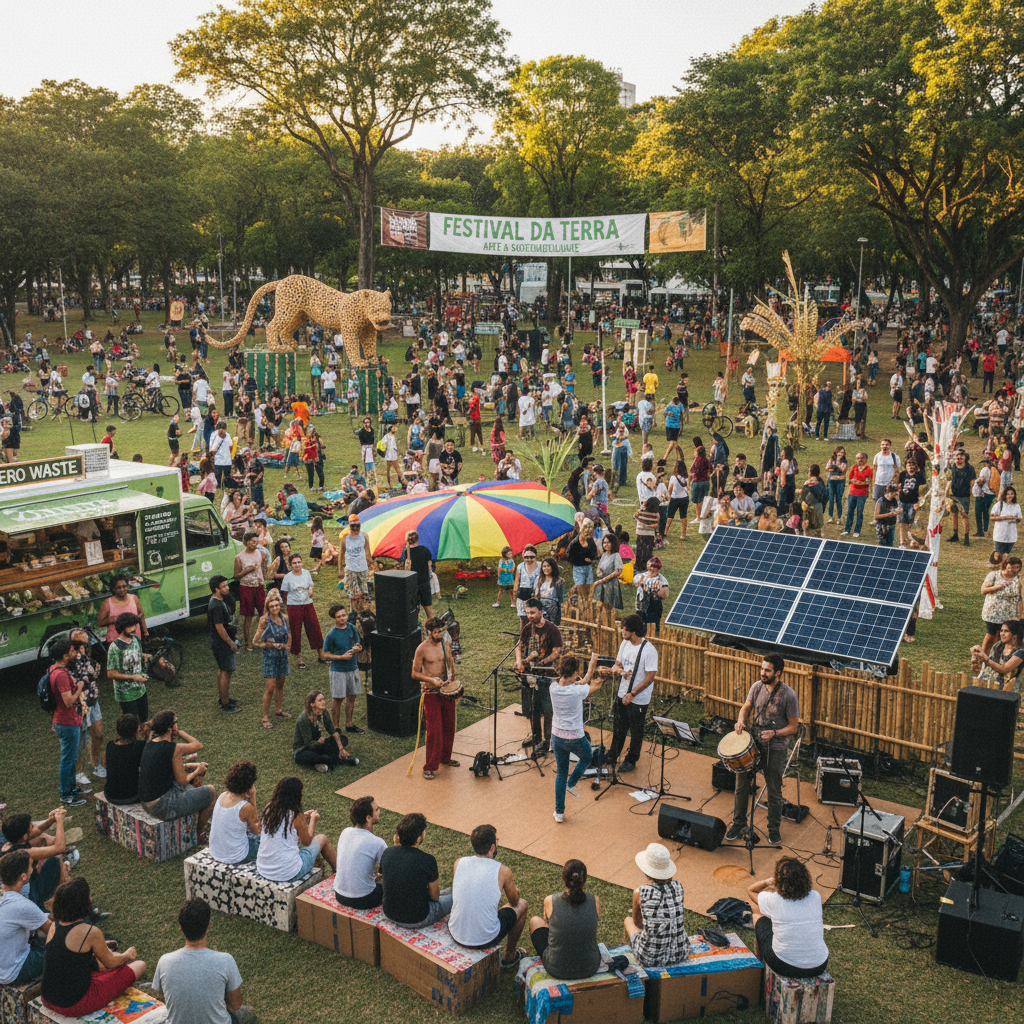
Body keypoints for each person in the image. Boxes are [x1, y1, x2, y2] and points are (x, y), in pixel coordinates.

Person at [40, 878, 144, 1017]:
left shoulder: (54, 925)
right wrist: (127, 955)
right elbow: (111, 962)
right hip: (74, 1004)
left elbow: (66, 955)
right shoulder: (89, 932)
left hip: (47, 998)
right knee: (139, 965)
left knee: (98, 961)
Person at [727, 655, 799, 847]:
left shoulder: (789, 695)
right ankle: (738, 823)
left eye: (767, 670)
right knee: (741, 784)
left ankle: (773, 830)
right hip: (753, 743)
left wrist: (775, 733)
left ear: (778, 673)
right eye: (762, 669)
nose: (762, 673)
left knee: (774, 790)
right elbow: (746, 706)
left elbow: (794, 727)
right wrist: (741, 720)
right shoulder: (756, 686)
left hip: (775, 748)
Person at [152, 897, 257, 1024]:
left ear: (181, 928)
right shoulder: (225, 961)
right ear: (209, 925)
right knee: (248, 1013)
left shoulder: (164, 962)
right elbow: (236, 1005)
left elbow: (166, 999)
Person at [448, 824, 529, 969]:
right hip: (485, 939)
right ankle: (509, 956)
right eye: (497, 841)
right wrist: (515, 890)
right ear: (492, 847)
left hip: (456, 932)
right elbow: (514, 901)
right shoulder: (503, 871)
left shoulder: (459, 862)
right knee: (523, 904)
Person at [746, 857, 829, 979]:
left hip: (784, 965)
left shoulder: (774, 900)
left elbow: (751, 890)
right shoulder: (815, 896)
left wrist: (768, 882)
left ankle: (760, 964)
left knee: (757, 915)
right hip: (820, 965)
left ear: (779, 881)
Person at [138, 710, 215, 831]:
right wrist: (197, 770)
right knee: (210, 791)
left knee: (189, 776)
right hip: (162, 807)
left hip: (146, 801)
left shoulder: (150, 743)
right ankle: (200, 830)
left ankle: (194, 813)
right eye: (176, 722)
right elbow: (183, 779)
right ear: (171, 727)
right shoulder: (173, 748)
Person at [550, 654, 605, 823]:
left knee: (561, 772)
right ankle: (571, 783)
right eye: (576, 674)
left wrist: (590, 666)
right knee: (587, 756)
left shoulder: (553, 686)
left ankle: (559, 813)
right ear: (574, 672)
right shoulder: (577, 691)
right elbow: (592, 684)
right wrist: (597, 671)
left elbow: (581, 682)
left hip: (557, 736)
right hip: (575, 737)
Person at [528, 859, 601, 979]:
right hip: (590, 967)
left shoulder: (550, 900)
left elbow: (547, 926)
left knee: (534, 921)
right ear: (584, 880)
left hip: (557, 968)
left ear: (563, 879)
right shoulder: (595, 900)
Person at [256, 777, 337, 883]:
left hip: (263, 868)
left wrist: (303, 819)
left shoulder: (269, 808)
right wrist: (313, 820)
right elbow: (307, 842)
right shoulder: (296, 816)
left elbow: (285, 828)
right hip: (289, 872)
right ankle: (339, 872)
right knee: (322, 839)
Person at [379, 812, 452, 928]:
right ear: (419, 838)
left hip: (390, 913)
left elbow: (392, 875)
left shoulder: (388, 852)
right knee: (454, 897)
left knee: (446, 892)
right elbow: (435, 897)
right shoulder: (428, 860)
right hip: (418, 918)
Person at [624, 842, 690, 967]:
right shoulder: (678, 886)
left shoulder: (640, 892)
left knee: (628, 921)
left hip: (650, 958)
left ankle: (631, 951)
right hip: (680, 952)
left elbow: (637, 922)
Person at [607, 614, 657, 774]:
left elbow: (650, 677)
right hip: (622, 693)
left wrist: (633, 694)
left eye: (625, 628)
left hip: (638, 698)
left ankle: (631, 759)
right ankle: (613, 754)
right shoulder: (625, 643)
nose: (622, 631)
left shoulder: (649, 650)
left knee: (636, 730)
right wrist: (617, 670)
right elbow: (618, 663)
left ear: (633, 630)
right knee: (619, 727)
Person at [412, 617, 459, 781]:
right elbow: (414, 673)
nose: (441, 634)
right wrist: (431, 680)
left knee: (449, 725)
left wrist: (452, 675)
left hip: (446, 689)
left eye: (442, 631)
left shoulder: (445, 643)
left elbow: (450, 660)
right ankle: (430, 766)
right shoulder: (422, 649)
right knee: (434, 730)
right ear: (429, 632)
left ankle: (446, 757)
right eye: (438, 632)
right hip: (430, 691)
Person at [515, 600, 563, 754]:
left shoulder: (552, 628)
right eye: (528, 612)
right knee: (533, 708)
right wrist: (519, 661)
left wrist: (542, 662)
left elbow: (556, 651)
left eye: (533, 612)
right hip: (531, 675)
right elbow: (519, 645)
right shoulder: (527, 628)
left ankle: (548, 741)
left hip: (547, 675)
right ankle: (536, 736)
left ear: (541, 612)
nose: (530, 616)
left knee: (548, 709)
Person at [0, 809, 70, 913]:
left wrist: (51, 820)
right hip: (31, 893)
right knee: (55, 860)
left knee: (53, 860)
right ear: (24, 836)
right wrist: (60, 822)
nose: (34, 827)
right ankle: (46, 906)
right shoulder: (22, 852)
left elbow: (38, 830)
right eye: (31, 826)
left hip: (24, 885)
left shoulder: (9, 844)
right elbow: (59, 848)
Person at [0, 849, 53, 984]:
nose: (33, 869)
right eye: (31, 866)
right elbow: (53, 930)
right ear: (23, 876)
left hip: (4, 963)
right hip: (12, 973)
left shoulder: (4, 894)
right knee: (59, 950)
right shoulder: (21, 905)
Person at [48, 640, 89, 807]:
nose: (75, 653)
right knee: (68, 760)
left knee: (71, 759)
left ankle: (72, 788)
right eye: (72, 650)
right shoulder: (62, 675)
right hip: (67, 722)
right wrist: (80, 686)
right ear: (65, 655)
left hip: (65, 720)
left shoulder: (54, 669)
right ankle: (65, 794)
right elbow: (69, 701)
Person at [333, 796, 386, 910]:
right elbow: (391, 868)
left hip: (339, 895)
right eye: (376, 809)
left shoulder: (345, 832)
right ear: (368, 818)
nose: (379, 811)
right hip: (363, 899)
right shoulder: (377, 842)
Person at [209, 761, 261, 866]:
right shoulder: (245, 807)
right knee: (268, 840)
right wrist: (252, 798)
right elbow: (257, 829)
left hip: (216, 852)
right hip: (237, 856)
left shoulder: (222, 795)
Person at [322, 604, 364, 734]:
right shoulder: (332, 634)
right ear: (334, 618)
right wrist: (341, 657)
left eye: (344, 615)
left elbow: (357, 643)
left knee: (352, 697)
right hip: (338, 670)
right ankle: (336, 727)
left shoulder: (352, 628)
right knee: (338, 699)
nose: (342, 618)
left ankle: (349, 724)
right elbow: (324, 654)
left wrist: (358, 647)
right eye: (339, 617)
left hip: (353, 668)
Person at [252, 588, 290, 729]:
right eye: (272, 606)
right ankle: (265, 717)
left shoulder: (284, 618)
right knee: (270, 688)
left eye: (277, 605)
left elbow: (288, 634)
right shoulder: (264, 620)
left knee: (280, 685)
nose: (275, 608)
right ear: (268, 607)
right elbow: (255, 642)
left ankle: (278, 710)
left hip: (282, 655)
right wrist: (272, 645)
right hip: (269, 656)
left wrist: (287, 646)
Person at [281, 554, 323, 669]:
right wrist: (287, 608)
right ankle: (299, 657)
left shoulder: (306, 573)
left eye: (299, 562)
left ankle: (321, 654)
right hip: (294, 606)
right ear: (290, 564)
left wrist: (310, 590)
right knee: (296, 630)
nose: (297, 565)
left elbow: (311, 585)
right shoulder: (288, 577)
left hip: (308, 604)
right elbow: (285, 593)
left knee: (314, 627)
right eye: (294, 563)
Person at [207, 576, 241, 713]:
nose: (227, 588)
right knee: (226, 671)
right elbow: (219, 627)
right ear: (216, 589)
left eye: (227, 585)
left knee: (222, 670)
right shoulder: (216, 605)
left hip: (218, 642)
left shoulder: (217, 601)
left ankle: (224, 698)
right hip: (221, 643)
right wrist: (231, 643)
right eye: (224, 586)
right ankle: (225, 704)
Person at [979, 555, 1023, 655]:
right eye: (1011, 567)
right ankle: (982, 657)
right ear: (1005, 566)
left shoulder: (1019, 579)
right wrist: (998, 586)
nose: (1014, 570)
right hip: (993, 613)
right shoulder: (994, 575)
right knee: (992, 635)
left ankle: (997, 659)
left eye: (1017, 567)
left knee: (1004, 638)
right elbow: (983, 590)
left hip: (1010, 615)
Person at [103, 713, 149, 806]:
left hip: (110, 795)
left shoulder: (110, 745)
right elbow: (153, 757)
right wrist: (147, 735)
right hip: (131, 796)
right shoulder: (139, 747)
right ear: (136, 730)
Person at [234, 530, 267, 651]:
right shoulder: (239, 557)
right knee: (248, 615)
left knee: (263, 613)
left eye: (257, 541)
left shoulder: (261, 554)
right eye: (253, 542)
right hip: (246, 587)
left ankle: (264, 638)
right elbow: (236, 576)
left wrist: (263, 580)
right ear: (246, 542)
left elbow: (263, 570)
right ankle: (247, 642)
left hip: (259, 586)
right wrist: (246, 571)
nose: (256, 544)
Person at [97, 574, 148, 642]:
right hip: (116, 641)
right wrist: (110, 621)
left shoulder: (134, 598)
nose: (122, 589)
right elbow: (99, 623)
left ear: (128, 586)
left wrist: (145, 632)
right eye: (118, 587)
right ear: (113, 589)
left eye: (124, 586)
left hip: (134, 638)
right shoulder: (107, 603)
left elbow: (141, 615)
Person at [338, 514, 372, 612]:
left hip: (363, 568)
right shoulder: (345, 539)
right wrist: (340, 570)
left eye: (357, 525)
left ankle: (362, 612)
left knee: (365, 592)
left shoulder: (364, 536)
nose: (355, 528)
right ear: (349, 526)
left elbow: (367, 551)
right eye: (353, 526)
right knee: (354, 593)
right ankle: (354, 611)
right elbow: (341, 554)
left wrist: (370, 563)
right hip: (350, 569)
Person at [403, 530, 435, 620]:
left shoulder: (407, 553)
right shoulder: (425, 550)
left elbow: (406, 570)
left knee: (413, 610)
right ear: (418, 539)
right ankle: (432, 629)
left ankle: (415, 628)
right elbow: (429, 569)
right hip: (424, 582)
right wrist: (430, 577)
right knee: (429, 609)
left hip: (412, 584)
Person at [841, 452, 873, 537]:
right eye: (858, 458)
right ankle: (847, 529)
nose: (860, 460)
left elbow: (870, 481)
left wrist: (861, 482)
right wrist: (853, 481)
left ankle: (857, 531)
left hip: (862, 494)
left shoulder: (869, 469)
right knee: (850, 511)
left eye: (862, 458)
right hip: (852, 492)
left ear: (866, 459)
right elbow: (849, 478)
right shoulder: (854, 467)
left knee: (859, 512)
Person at [636, 557, 670, 637]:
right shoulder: (642, 576)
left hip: (653, 607)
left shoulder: (662, 580)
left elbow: (665, 595)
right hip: (641, 606)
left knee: (653, 628)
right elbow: (638, 586)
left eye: (656, 567)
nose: (653, 569)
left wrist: (655, 591)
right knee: (640, 627)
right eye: (652, 566)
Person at [990, 486, 1022, 555]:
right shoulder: (999, 505)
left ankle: (1002, 565)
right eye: (1008, 494)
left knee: (1005, 555)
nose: (1010, 496)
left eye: (1011, 494)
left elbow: (1019, 518)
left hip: (1011, 534)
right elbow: (992, 517)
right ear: (1005, 495)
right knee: (998, 554)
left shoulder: (1016, 506)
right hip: (1000, 533)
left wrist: (1016, 519)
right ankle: (994, 563)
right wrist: (1007, 517)